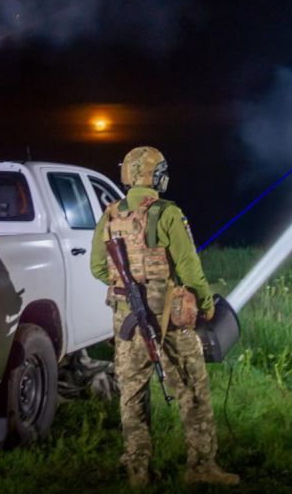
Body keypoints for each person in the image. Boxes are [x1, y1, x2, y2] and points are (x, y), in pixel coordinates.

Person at [90, 146, 239, 487]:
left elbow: (98, 267)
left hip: (127, 322)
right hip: (169, 317)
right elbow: (189, 267)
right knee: (192, 387)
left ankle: (138, 471)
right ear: (154, 177)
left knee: (132, 394)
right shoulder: (167, 213)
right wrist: (205, 303)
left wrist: (126, 287)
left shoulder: (110, 215)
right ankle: (201, 467)